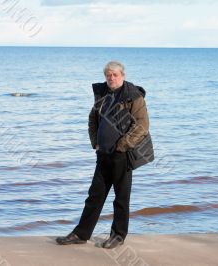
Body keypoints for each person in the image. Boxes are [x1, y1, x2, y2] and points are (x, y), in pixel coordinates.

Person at [56, 61, 150, 249]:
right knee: (95, 196)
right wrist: (95, 142)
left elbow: (142, 126)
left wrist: (122, 145)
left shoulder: (133, 96)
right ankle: (81, 234)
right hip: (103, 154)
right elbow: (93, 118)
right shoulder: (103, 94)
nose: (111, 78)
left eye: (115, 74)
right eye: (108, 75)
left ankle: (118, 236)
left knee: (121, 198)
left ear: (122, 75)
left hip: (122, 155)